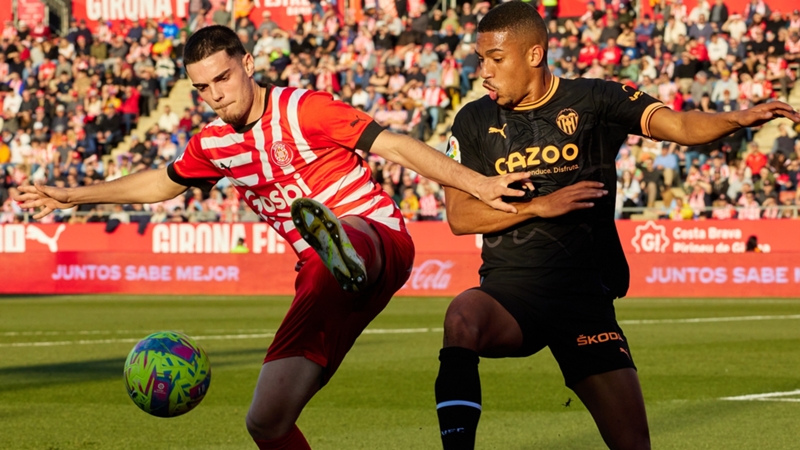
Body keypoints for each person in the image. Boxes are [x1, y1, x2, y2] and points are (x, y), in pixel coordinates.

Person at [15, 25, 532, 450]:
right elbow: (161, 183)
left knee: (344, 231)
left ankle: (340, 249)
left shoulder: (306, 109)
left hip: (380, 238)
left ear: (249, 64)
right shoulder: (213, 145)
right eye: (202, 88)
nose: (216, 95)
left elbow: (395, 146)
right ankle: (334, 258)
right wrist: (71, 196)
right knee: (266, 421)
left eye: (223, 78)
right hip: (319, 280)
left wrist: (479, 184)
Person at [434, 3, 800, 450]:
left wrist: (736, 119)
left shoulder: (596, 99)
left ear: (533, 55)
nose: (484, 71)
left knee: (633, 444)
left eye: (495, 58)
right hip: (512, 291)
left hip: (583, 297)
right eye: (480, 59)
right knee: (462, 317)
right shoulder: (472, 119)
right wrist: (538, 207)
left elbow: (679, 124)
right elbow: (459, 216)